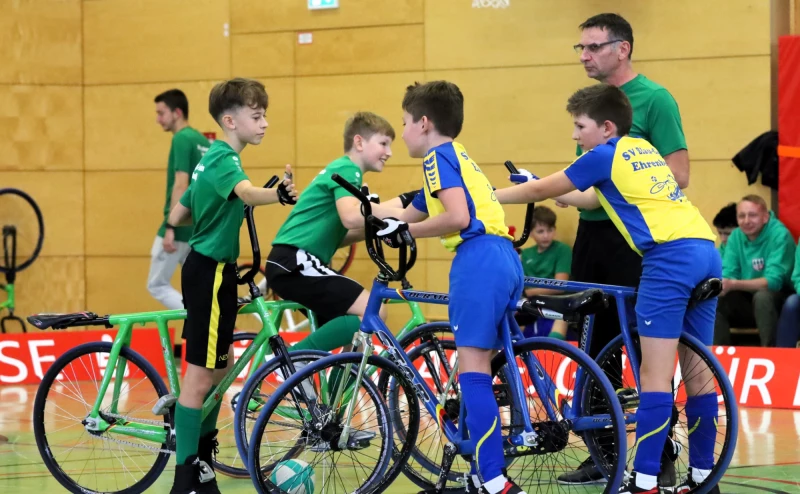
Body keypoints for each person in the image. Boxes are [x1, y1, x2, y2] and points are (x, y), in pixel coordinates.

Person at [495, 83, 721, 494]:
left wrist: (485, 198)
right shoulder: (641, 148)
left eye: (580, 126)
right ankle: (704, 478)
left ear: (606, 127)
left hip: (667, 259)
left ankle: (647, 479)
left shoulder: (603, 154)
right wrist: (560, 192)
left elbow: (541, 190)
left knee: (654, 376)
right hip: (705, 249)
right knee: (699, 374)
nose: (575, 135)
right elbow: (592, 197)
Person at [550, 13, 692, 485]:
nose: (584, 56)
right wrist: (547, 189)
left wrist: (627, 186)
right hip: (591, 235)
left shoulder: (655, 100)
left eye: (592, 47)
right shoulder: (591, 104)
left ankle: (661, 452)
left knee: (642, 347)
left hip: (632, 238)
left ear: (622, 48)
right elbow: (588, 187)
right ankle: (604, 451)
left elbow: (680, 176)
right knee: (594, 343)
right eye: (581, 49)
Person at [386, 80, 526, 494]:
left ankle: (493, 478)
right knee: (485, 363)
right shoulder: (460, 155)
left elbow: (457, 217)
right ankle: (483, 470)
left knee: (474, 372)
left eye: (406, 122)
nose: (404, 130)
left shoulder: (435, 158)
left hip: (478, 259)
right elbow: (412, 210)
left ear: (424, 123)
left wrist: (407, 233)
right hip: (504, 257)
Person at [166, 78, 298, 494]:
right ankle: (185, 476)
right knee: (200, 379)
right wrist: (274, 195)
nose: (264, 124)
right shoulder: (225, 159)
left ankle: (201, 464)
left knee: (219, 372)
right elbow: (246, 192)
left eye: (264, 116)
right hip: (209, 273)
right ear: (230, 120)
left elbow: (178, 214)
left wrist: (211, 212)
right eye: (256, 117)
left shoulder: (211, 160)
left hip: (210, 270)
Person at [265, 112, 413, 357]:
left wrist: (378, 226)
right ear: (359, 142)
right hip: (295, 261)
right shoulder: (348, 169)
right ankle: (291, 360)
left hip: (292, 262)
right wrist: (401, 212)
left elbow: (342, 233)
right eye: (384, 143)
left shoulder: (343, 170)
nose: (389, 152)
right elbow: (351, 217)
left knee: (359, 334)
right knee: (373, 312)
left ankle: (336, 394)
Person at [149, 89, 210, 310]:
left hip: (180, 226)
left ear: (176, 112)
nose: (158, 119)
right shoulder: (202, 140)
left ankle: (196, 315)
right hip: (197, 227)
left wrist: (170, 225)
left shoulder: (182, 139)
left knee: (156, 284)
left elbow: (181, 184)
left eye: (161, 113)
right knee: (197, 285)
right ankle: (207, 318)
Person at [714, 195, 795, 347]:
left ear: (765, 217)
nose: (746, 221)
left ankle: (770, 353)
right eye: (741, 216)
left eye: (752, 215)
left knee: (763, 297)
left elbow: (773, 282)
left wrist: (733, 284)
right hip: (747, 299)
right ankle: (717, 358)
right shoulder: (736, 236)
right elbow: (728, 273)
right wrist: (724, 285)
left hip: (779, 299)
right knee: (716, 299)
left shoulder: (779, 235)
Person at [516, 205, 572, 339]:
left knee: (563, 314)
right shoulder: (526, 254)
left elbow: (560, 285)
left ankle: (554, 349)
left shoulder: (562, 250)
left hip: (555, 302)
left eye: (550, 230)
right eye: (540, 231)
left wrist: (529, 292)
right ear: (530, 233)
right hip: (529, 303)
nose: (546, 235)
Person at [777, 247, 800, 348]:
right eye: (722, 233)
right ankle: (781, 356)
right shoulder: (733, 240)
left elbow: (773, 280)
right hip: (732, 293)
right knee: (792, 302)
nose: (724, 238)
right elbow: (797, 276)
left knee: (763, 298)